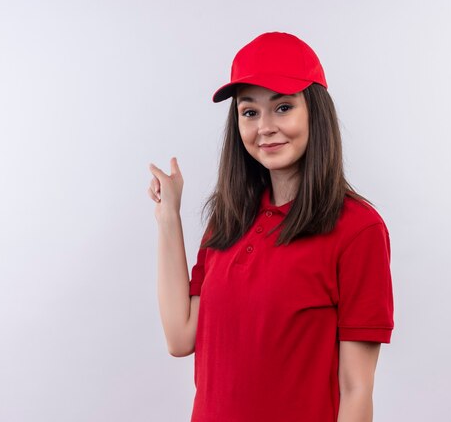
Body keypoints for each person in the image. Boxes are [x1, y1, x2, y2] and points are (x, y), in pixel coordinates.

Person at [148, 31, 394, 422]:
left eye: (283, 108)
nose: (265, 126)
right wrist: (168, 218)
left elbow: (357, 388)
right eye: (250, 112)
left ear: (315, 112)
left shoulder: (358, 229)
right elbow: (181, 337)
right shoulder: (229, 219)